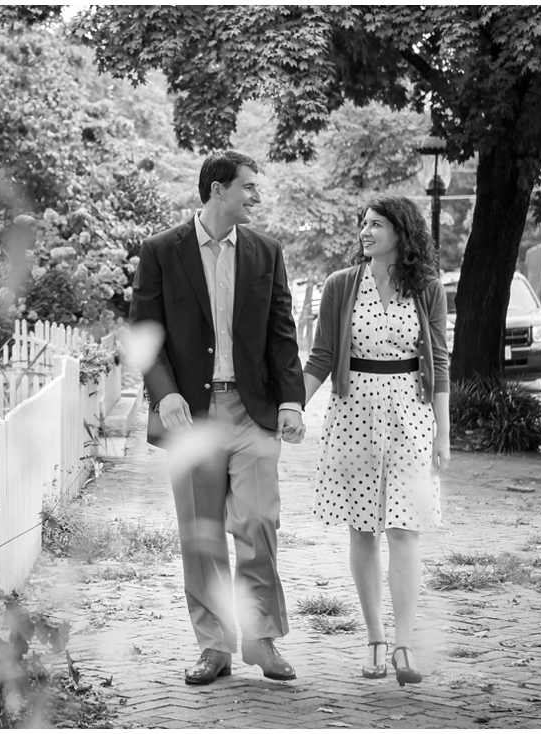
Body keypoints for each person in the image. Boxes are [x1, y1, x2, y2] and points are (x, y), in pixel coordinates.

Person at [129, 150, 306, 685]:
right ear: (216, 191)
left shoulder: (266, 252)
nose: (256, 195)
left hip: (251, 411)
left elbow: (282, 332)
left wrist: (292, 401)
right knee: (201, 533)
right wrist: (165, 394)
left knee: (258, 523)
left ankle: (261, 638)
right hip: (193, 417)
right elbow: (145, 334)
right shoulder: (162, 251)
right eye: (248, 187)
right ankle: (214, 647)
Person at [303, 195, 450, 687]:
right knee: (363, 529)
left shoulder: (427, 288)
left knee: (405, 530)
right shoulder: (341, 285)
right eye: (363, 224)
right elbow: (322, 357)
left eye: (377, 225)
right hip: (354, 415)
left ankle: (405, 644)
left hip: (411, 414)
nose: (366, 232)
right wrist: (290, 405)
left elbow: (442, 364)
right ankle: (375, 640)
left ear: (401, 234)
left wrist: (443, 434)